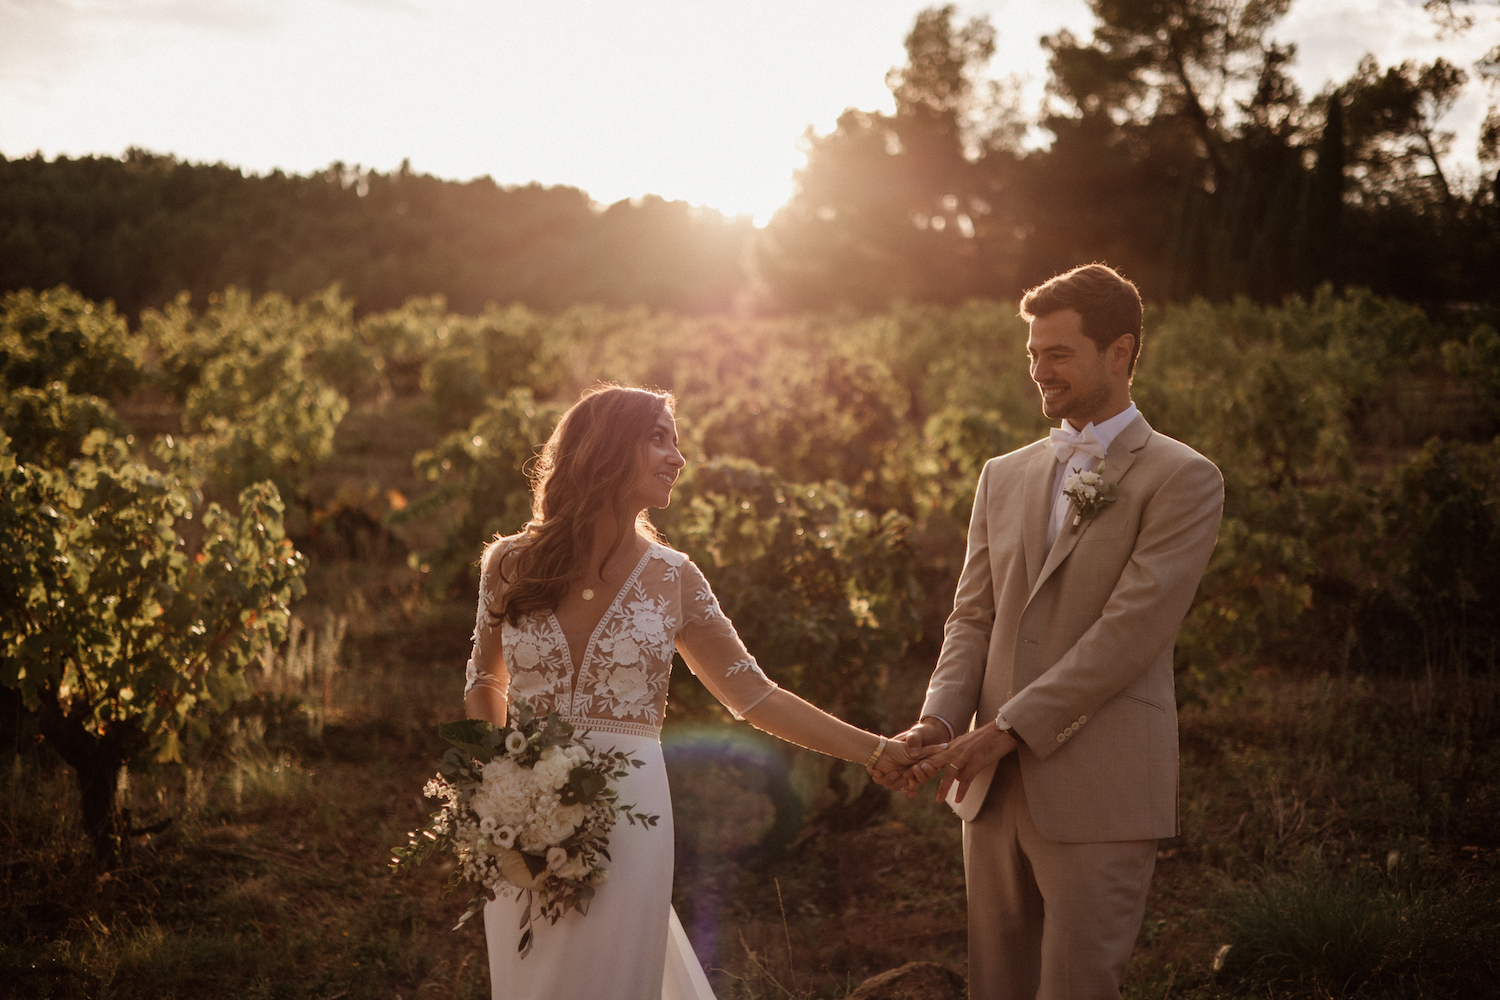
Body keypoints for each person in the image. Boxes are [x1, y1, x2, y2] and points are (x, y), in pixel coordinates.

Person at [463, 384, 922, 1000]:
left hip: (629, 812)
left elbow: (755, 696)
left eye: (675, 441)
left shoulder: (673, 577)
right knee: (533, 976)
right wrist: (503, 782)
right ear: (602, 449)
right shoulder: (509, 563)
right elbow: (485, 680)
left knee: (615, 973)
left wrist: (875, 750)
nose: (678, 458)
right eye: (659, 437)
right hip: (520, 815)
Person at [878, 264, 1223, 1000]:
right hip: (989, 787)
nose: (1040, 370)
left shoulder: (1182, 478)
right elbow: (971, 615)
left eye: (1059, 353)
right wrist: (939, 719)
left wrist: (1007, 726)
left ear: (1121, 353)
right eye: (1034, 353)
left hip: (1100, 785)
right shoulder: (1001, 475)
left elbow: (1131, 630)